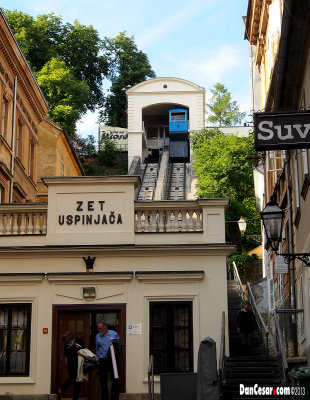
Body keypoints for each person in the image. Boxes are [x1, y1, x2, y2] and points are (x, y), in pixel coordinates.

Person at [96, 321, 122, 400]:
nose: (99, 330)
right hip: (102, 360)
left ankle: (113, 398)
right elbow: (97, 348)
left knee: (114, 380)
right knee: (103, 381)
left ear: (105, 327)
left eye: (100, 328)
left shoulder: (113, 334)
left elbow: (119, 346)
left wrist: (114, 342)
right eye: (98, 328)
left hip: (113, 359)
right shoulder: (97, 336)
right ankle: (105, 398)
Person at [59, 331, 85, 400]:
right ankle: (61, 389)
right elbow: (66, 356)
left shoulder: (79, 341)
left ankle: (75, 398)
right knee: (72, 379)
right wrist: (67, 365)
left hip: (79, 363)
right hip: (71, 365)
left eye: (68, 341)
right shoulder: (66, 346)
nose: (68, 343)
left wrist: (79, 353)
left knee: (78, 381)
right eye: (66, 342)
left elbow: (85, 350)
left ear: (71, 338)